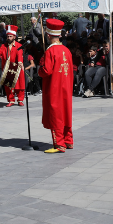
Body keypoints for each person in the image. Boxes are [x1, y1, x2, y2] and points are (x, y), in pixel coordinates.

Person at [39, 19, 74, 153]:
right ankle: (68, 141)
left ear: (48, 35)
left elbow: (46, 70)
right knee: (66, 113)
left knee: (56, 114)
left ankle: (59, 144)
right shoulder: (66, 50)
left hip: (54, 88)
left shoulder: (50, 52)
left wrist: (40, 68)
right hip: (66, 86)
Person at [0, 25, 25, 107]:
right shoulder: (3, 46)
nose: (8, 38)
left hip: (17, 67)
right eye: (8, 36)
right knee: (8, 86)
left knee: (19, 85)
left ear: (14, 37)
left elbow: (20, 54)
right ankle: (11, 100)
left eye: (10, 36)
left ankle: (20, 100)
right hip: (7, 68)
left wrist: (20, 62)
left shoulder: (19, 45)